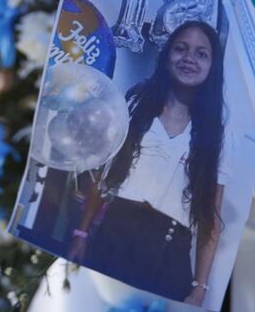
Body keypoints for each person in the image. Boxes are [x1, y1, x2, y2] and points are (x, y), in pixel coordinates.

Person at [67, 21, 228, 307]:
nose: (189, 57)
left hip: (169, 255)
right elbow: (100, 175)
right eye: (181, 49)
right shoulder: (134, 104)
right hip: (112, 238)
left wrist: (200, 286)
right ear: (167, 56)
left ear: (213, 67)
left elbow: (210, 221)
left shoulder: (219, 136)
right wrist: (81, 232)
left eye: (201, 53)